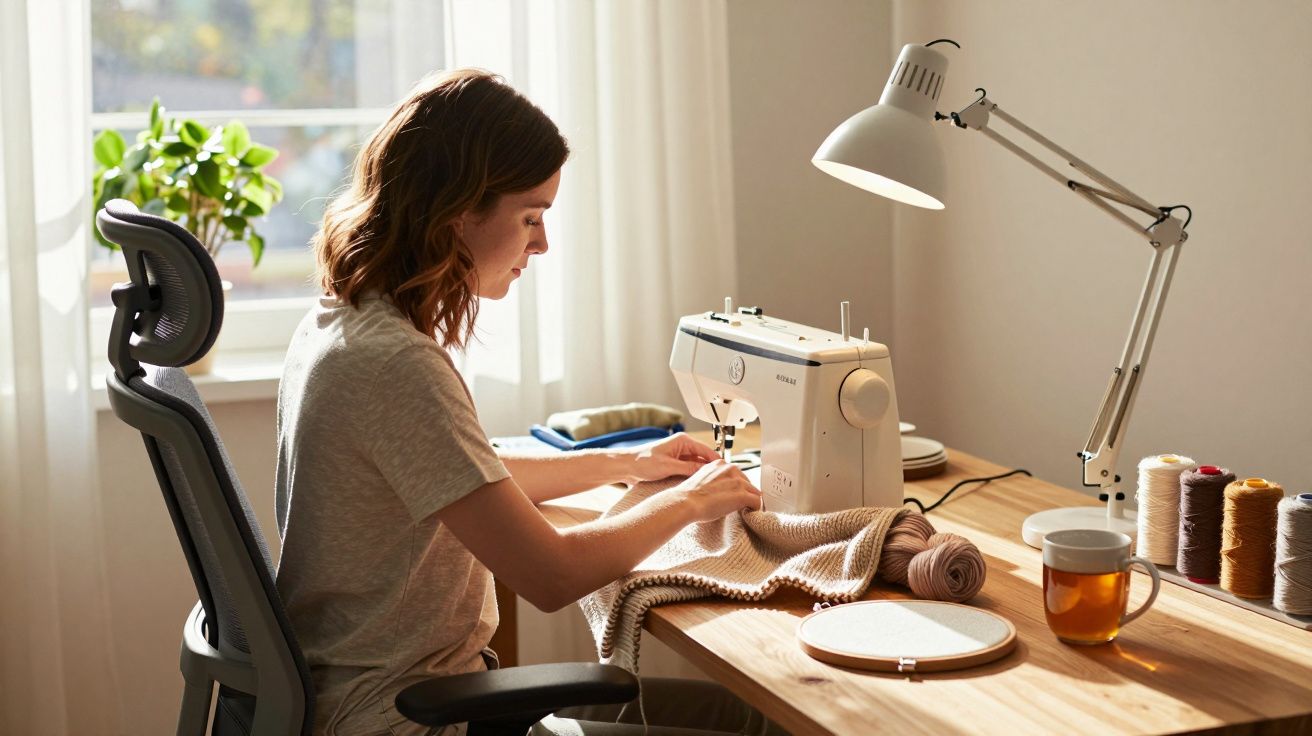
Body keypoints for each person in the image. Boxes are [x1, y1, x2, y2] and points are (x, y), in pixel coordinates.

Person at [275, 69, 779, 736]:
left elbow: (464, 478)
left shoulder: (341, 323)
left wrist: (625, 464)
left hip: (397, 696)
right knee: (763, 722)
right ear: (459, 210)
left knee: (743, 717)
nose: (541, 244)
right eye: (530, 217)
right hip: (413, 718)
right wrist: (691, 501)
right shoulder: (394, 365)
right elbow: (550, 575)